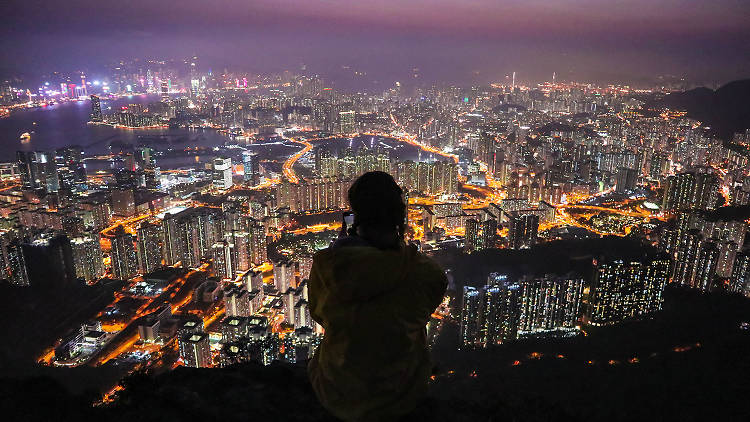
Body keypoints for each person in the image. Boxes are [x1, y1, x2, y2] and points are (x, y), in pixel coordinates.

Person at [307, 171, 448, 421]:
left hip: (337, 393)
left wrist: (344, 251)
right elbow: (424, 308)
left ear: (356, 217)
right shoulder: (426, 273)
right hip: (399, 395)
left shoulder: (329, 267)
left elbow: (319, 315)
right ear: (399, 218)